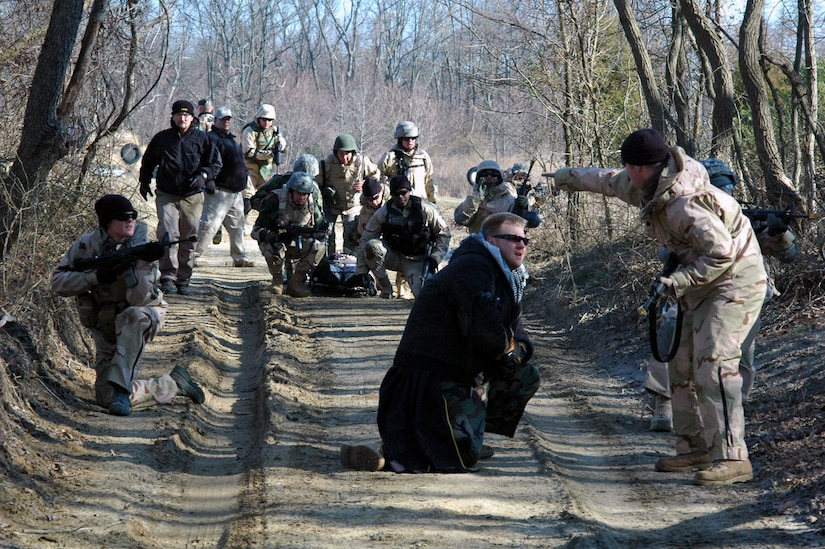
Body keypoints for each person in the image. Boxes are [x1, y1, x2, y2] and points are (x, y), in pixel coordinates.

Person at [552, 128, 767, 486]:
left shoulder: (685, 203)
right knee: (679, 364)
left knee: (714, 363)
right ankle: (695, 446)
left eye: (629, 167)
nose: (624, 173)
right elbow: (606, 180)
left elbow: (722, 254)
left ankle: (732, 456)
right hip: (699, 279)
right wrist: (567, 178)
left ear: (641, 167)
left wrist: (679, 281)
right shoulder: (644, 182)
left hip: (734, 280)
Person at [340, 212, 540, 472]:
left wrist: (519, 351)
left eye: (524, 240)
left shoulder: (506, 277)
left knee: (524, 374)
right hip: (430, 379)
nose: (521, 245)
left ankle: (471, 435)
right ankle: (381, 451)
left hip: (459, 373)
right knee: (453, 461)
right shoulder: (474, 268)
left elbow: (515, 327)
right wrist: (507, 351)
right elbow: (485, 329)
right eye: (512, 239)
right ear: (491, 240)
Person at [644, 157, 799, 432]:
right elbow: (665, 253)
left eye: (726, 190)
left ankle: (727, 415)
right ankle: (664, 404)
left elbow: (789, 256)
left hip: (741, 296)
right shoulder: (686, 217)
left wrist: (779, 234)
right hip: (693, 291)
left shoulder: (743, 220)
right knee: (671, 335)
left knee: (740, 357)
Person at [50, 194, 206, 417]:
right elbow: (58, 282)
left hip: (146, 313)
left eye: (133, 216)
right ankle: (174, 384)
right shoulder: (87, 245)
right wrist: (96, 276)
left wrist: (142, 263)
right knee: (106, 399)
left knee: (134, 316)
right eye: (123, 217)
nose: (130, 220)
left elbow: (140, 299)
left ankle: (123, 389)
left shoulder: (142, 245)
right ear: (107, 222)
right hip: (106, 327)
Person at [138, 99, 222, 295]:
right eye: (179, 114)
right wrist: (144, 181)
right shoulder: (162, 139)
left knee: (189, 238)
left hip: (192, 197)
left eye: (186, 115)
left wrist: (204, 176)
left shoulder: (203, 139)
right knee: (167, 233)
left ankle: (184, 279)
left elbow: (215, 164)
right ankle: (167, 275)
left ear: (192, 118)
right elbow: (148, 161)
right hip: (167, 194)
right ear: (173, 117)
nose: (182, 118)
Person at [355, 174, 450, 299]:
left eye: (403, 193)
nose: (400, 197)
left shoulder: (425, 209)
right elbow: (366, 238)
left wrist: (435, 258)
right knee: (372, 246)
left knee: (425, 297)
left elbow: (444, 234)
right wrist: (361, 270)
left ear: (409, 191)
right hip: (395, 256)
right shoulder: (385, 211)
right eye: (396, 194)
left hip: (417, 260)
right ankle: (386, 289)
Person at [192, 106, 255, 268]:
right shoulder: (211, 138)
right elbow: (204, 161)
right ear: (216, 120)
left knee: (237, 227)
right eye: (223, 119)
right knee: (209, 225)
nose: (227, 121)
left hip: (235, 193)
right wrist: (209, 180)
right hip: (219, 190)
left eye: (228, 119)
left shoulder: (230, 139)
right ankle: (195, 255)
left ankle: (239, 256)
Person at [251, 172, 327, 297]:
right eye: (298, 193)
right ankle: (277, 280)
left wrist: (313, 233)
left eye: (305, 194)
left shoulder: (312, 205)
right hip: (279, 241)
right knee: (271, 247)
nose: (301, 197)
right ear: (291, 191)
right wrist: (274, 236)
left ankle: (296, 282)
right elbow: (256, 230)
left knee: (319, 246)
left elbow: (320, 229)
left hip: (300, 242)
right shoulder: (274, 200)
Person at [319, 133, 380, 255]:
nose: (344, 157)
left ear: (353, 152)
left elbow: (376, 176)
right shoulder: (328, 164)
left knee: (352, 237)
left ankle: (350, 263)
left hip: (354, 205)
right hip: (332, 206)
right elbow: (318, 182)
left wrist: (365, 184)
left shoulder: (362, 162)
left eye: (347, 154)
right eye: (341, 154)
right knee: (328, 237)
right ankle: (329, 264)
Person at [454, 159, 540, 234]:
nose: (489, 177)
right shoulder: (473, 200)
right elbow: (460, 219)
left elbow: (533, 222)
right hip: (478, 246)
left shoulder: (508, 199)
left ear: (499, 177)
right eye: (484, 174)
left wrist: (525, 208)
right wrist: (476, 199)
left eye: (493, 174)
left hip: (502, 247)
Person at [377, 121, 436, 203]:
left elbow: (429, 181)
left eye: (413, 138)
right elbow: (378, 179)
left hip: (420, 203)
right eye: (407, 138)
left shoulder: (423, 157)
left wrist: (432, 202)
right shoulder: (389, 157)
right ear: (400, 139)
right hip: (397, 204)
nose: (410, 141)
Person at [250, 153, 324, 212]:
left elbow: (318, 212)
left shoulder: (314, 189)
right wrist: (271, 209)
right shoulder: (279, 181)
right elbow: (255, 200)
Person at [242, 103, 286, 192]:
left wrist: (281, 145)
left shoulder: (274, 132)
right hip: (251, 169)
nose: (267, 122)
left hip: (266, 171)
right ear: (259, 118)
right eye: (264, 119)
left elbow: (282, 145)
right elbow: (250, 153)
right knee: (248, 194)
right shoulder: (249, 131)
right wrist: (270, 153)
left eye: (269, 120)